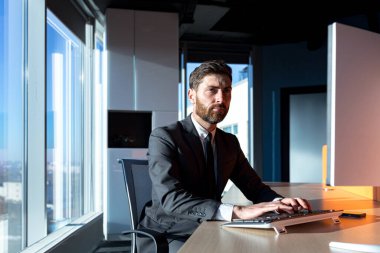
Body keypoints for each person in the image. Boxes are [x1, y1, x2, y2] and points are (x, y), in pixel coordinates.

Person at [137, 60, 311, 252]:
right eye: (212, 90)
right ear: (191, 96)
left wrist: (278, 203)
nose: (221, 98)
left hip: (212, 225)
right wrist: (238, 211)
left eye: (226, 90)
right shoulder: (164, 137)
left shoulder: (229, 142)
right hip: (170, 231)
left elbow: (253, 186)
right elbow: (172, 199)